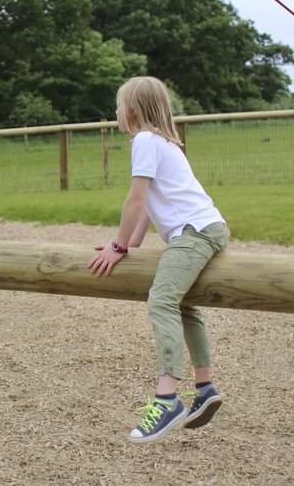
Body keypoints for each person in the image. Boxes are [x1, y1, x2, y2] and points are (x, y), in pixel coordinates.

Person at [89, 76, 229, 444]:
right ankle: (204, 387)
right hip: (208, 226)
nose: (115, 112)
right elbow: (151, 206)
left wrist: (117, 247)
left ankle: (167, 400)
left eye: (118, 106)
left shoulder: (144, 141)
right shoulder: (163, 141)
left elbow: (135, 201)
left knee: (162, 300)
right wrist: (129, 245)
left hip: (193, 232)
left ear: (132, 111)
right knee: (185, 306)